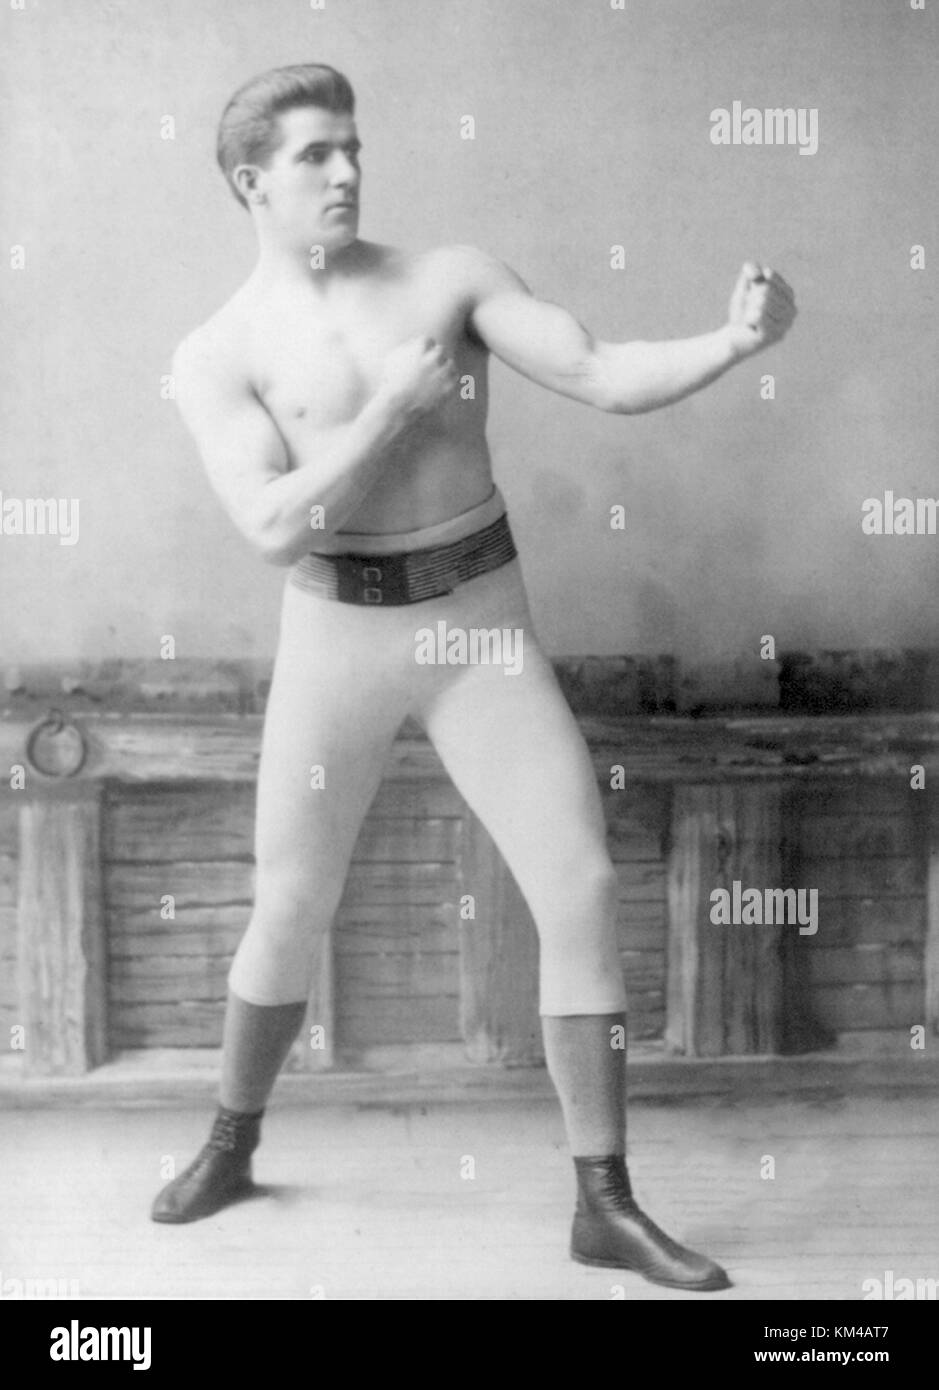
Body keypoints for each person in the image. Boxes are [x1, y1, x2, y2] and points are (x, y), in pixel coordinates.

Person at [152, 63, 796, 1292]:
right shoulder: (215, 352)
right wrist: (391, 409)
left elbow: (600, 370)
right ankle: (230, 1143)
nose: (347, 171)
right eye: (314, 156)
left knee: (583, 880)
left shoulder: (447, 278)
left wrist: (731, 340)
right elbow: (276, 524)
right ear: (250, 182)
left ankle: (603, 1201)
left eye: (353, 146)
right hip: (336, 632)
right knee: (288, 903)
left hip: (477, 622)